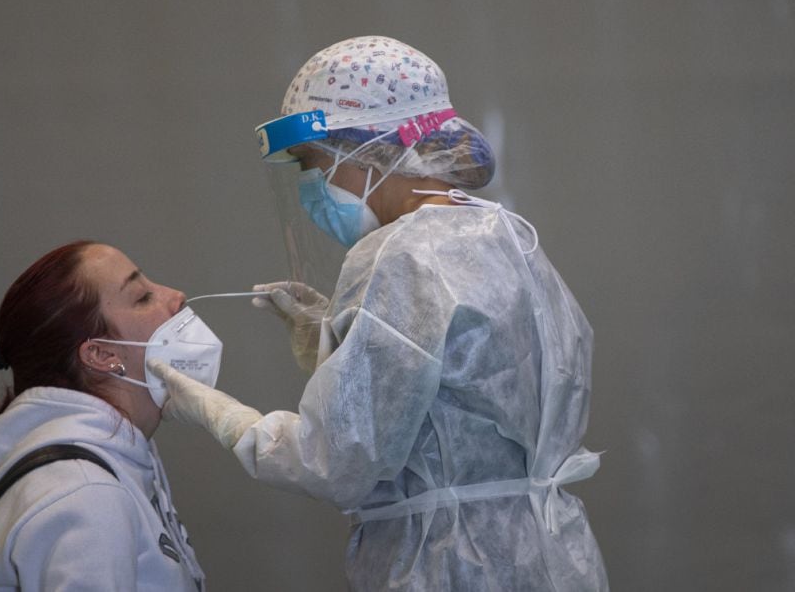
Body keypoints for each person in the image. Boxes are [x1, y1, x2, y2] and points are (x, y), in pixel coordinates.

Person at [146, 36, 609, 590]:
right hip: (548, 557)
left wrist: (224, 417)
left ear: (372, 149)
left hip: (450, 565)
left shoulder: (398, 254)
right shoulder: (503, 234)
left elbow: (337, 461)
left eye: (314, 165)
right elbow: (460, 394)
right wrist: (336, 343)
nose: (311, 188)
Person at [0, 240, 206, 591]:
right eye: (142, 297)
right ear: (100, 353)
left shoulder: (104, 460)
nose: (176, 296)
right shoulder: (86, 494)